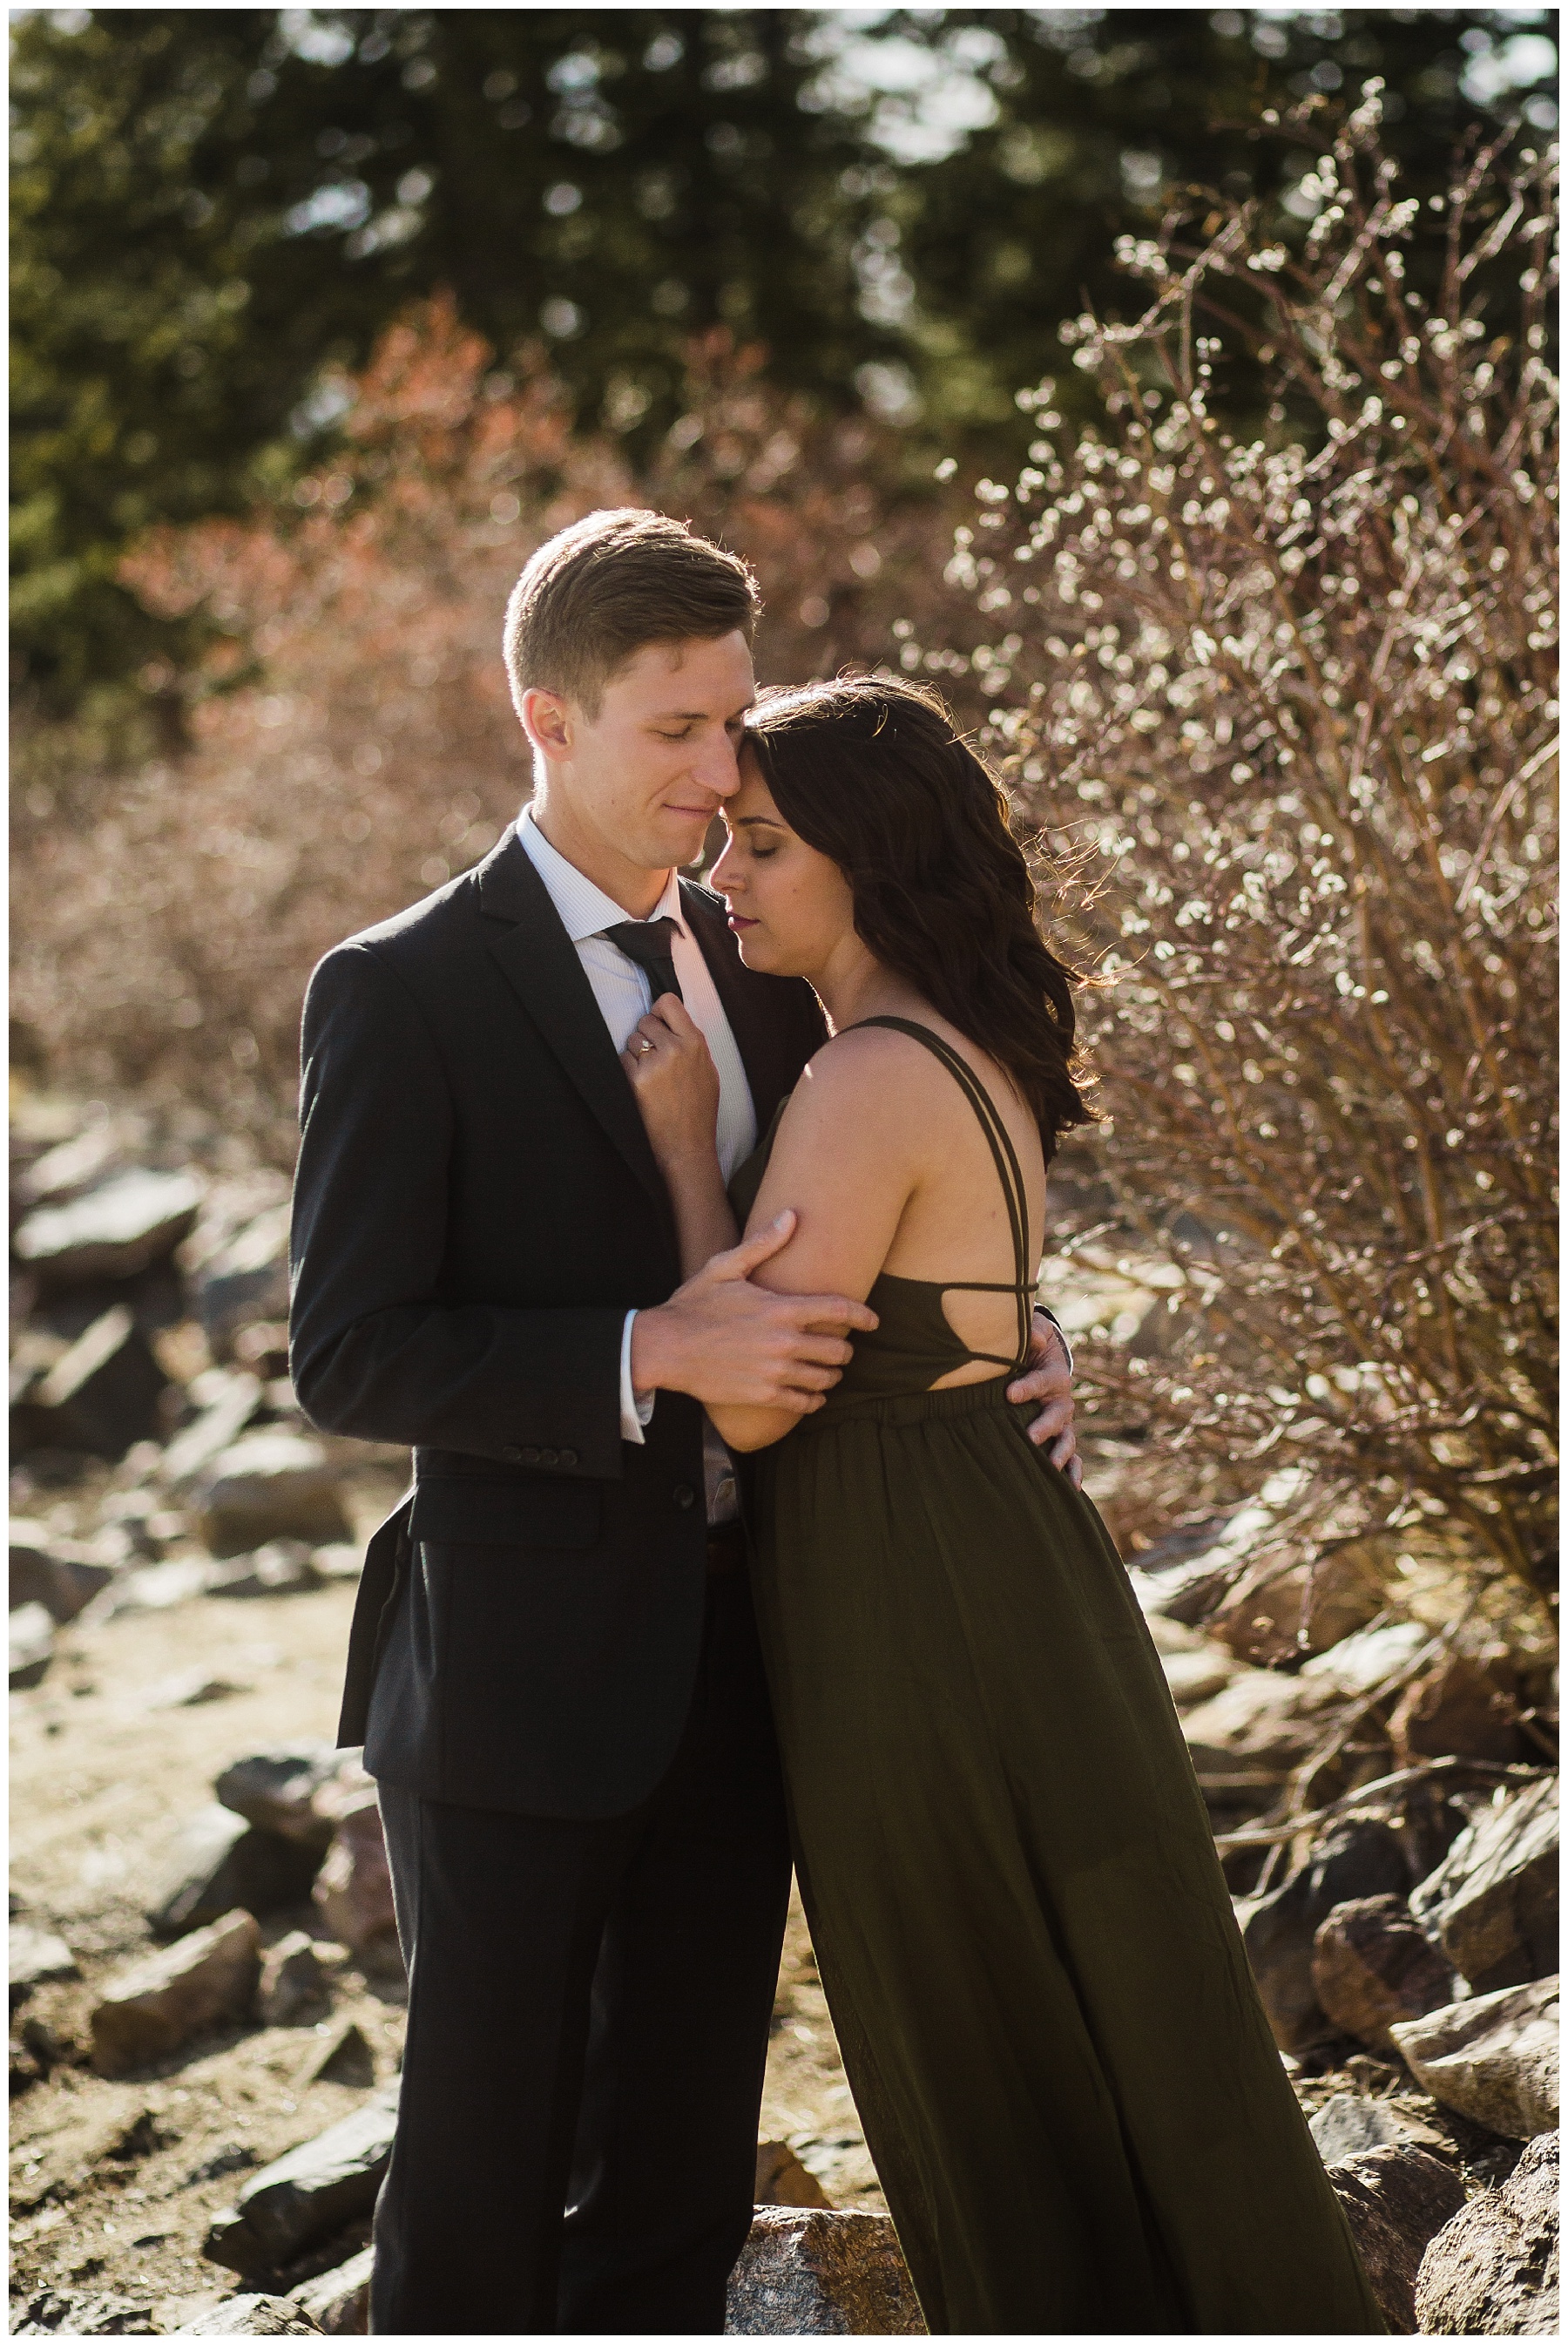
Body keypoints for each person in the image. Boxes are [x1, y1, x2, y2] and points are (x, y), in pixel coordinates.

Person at [288, 509, 1080, 2336]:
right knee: (481, 2183)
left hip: (755, 1662)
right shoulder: (401, 990)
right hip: (513, 1681)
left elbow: (879, 1197)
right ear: (545, 720)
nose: (723, 777)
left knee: (680, 2183)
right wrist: (647, 1350)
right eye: (676, 733)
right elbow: (351, 1354)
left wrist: (1019, 1328)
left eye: (735, 724)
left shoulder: (763, 963)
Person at [619, 674, 1386, 2337]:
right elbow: (958, 1309)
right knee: (1107, 1976)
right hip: (987, 1546)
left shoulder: (864, 1076)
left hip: (915, 1588)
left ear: (871, 861)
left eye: (761, 843)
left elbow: (752, 1391)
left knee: (968, 1990)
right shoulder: (955, 1049)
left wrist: (686, 1147)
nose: (723, 876)